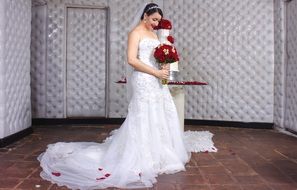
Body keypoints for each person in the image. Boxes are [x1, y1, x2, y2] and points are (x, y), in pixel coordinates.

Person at [38, 3, 190, 189]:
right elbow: (132, 60)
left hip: (157, 79)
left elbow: (158, 57)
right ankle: (140, 155)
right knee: (143, 113)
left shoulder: (154, 34)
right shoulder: (135, 33)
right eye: (153, 20)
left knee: (160, 112)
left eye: (158, 20)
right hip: (143, 79)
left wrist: (164, 65)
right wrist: (155, 72)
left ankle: (159, 153)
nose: (156, 23)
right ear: (144, 16)